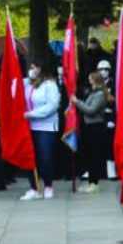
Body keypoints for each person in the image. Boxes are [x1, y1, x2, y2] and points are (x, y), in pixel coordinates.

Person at [21, 62, 62, 200]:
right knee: (30, 157)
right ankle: (34, 187)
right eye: (30, 67)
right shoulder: (28, 84)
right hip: (29, 126)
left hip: (46, 127)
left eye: (34, 67)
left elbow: (52, 105)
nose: (31, 70)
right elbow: (14, 83)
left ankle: (48, 185)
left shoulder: (50, 85)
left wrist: (32, 114)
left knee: (45, 157)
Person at [71, 71, 109, 193]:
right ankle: (91, 182)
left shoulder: (100, 94)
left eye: (90, 78)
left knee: (95, 156)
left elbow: (91, 110)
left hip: (96, 127)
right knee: (90, 155)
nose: (89, 80)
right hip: (89, 127)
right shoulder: (93, 93)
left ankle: (94, 183)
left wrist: (77, 102)